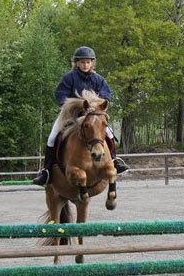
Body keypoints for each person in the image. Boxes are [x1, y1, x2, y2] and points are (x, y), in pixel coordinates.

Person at [33, 46, 129, 186]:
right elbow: (60, 94)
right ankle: (47, 171)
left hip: (93, 115)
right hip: (71, 115)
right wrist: (71, 105)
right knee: (52, 137)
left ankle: (114, 160)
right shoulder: (69, 77)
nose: (85, 65)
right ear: (76, 63)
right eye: (82, 62)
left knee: (108, 133)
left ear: (92, 63)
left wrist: (97, 103)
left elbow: (106, 94)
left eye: (88, 62)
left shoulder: (98, 79)